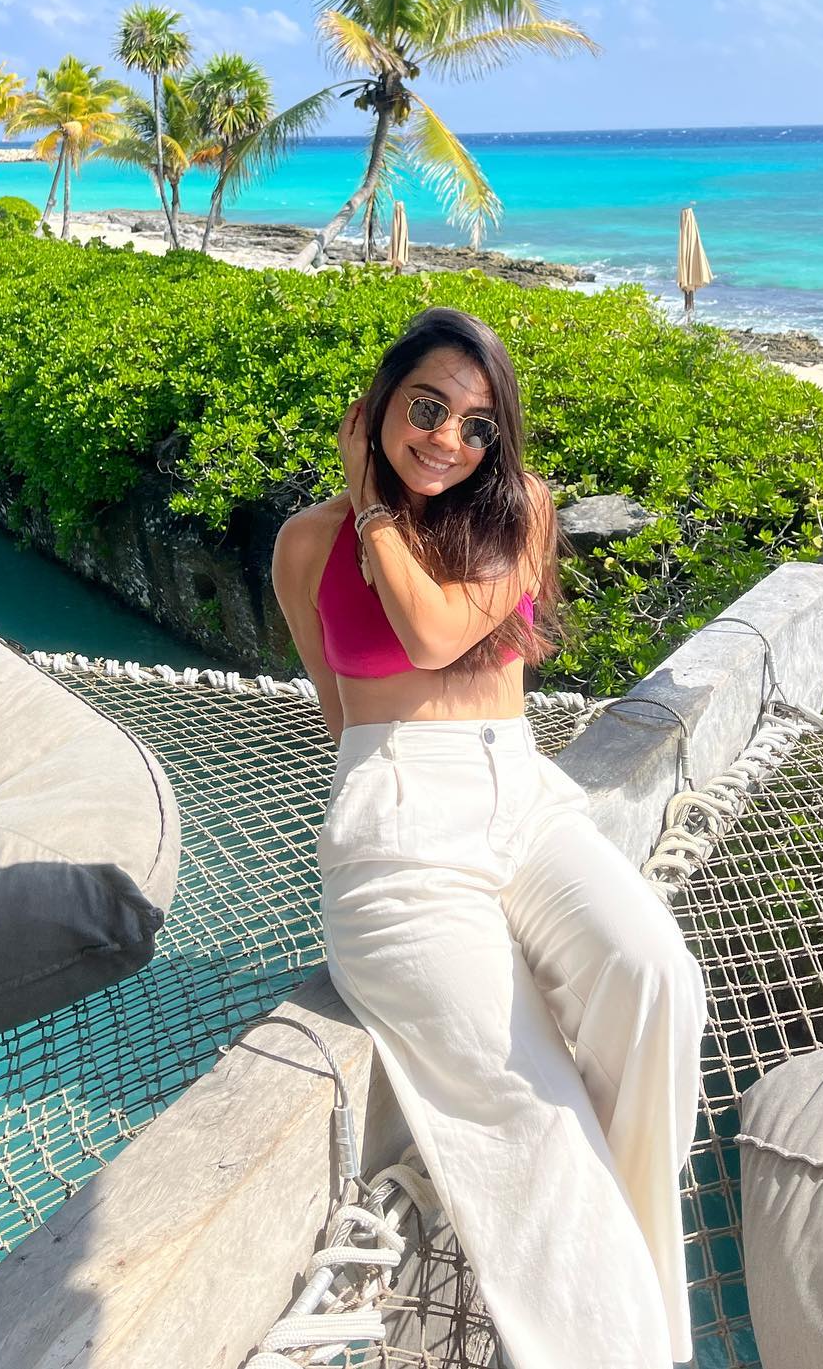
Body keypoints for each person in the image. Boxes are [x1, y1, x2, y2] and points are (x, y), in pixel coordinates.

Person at [271, 305, 708, 1369]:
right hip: (396, 825)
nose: (448, 440)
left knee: (658, 982)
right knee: (529, 1107)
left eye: (477, 425)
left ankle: (635, 1308)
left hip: (521, 791)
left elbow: (433, 628)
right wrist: (365, 515)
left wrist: (378, 514)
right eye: (427, 408)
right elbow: (340, 710)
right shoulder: (307, 541)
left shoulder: (521, 514)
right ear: (375, 408)